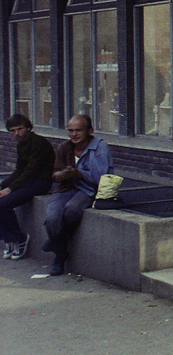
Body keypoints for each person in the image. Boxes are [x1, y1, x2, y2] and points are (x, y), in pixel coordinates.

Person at [43, 114, 112, 277]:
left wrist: (79, 174)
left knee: (72, 209)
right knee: (52, 218)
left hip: (88, 189)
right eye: (71, 130)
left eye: (78, 130)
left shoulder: (100, 147)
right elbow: (54, 174)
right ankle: (58, 245)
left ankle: (58, 254)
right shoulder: (64, 147)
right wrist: (60, 175)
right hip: (66, 188)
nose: (74, 134)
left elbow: (102, 176)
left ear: (90, 130)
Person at [0, 114, 54, 259]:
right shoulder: (22, 144)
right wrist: (2, 185)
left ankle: (19, 238)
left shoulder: (39, 143)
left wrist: (9, 189)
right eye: (12, 130)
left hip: (41, 182)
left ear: (29, 128)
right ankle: (9, 239)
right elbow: (19, 170)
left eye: (20, 129)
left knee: (4, 204)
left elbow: (31, 171)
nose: (16, 133)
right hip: (28, 181)